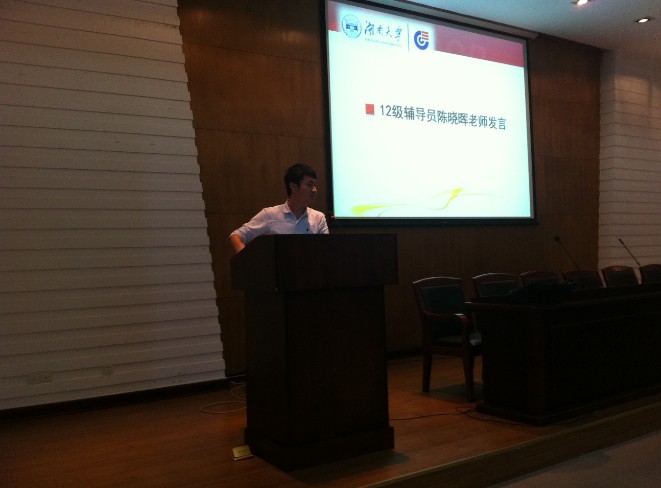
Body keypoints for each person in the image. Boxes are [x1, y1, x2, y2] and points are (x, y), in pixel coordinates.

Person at [229, 164, 329, 253]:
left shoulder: (318, 218)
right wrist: (244, 256)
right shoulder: (269, 215)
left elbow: (327, 249)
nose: (314, 190)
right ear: (293, 186)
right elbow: (236, 235)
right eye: (310, 185)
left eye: (314, 185)